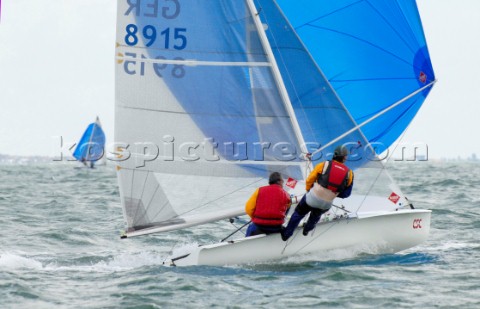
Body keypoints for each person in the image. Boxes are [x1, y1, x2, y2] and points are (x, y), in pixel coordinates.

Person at [281, 145, 354, 241]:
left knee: (299, 213)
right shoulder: (350, 173)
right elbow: (346, 194)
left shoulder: (324, 165)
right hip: (327, 203)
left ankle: (286, 234)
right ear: (344, 157)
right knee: (316, 215)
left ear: (334, 155)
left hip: (313, 197)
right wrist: (334, 193)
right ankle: (307, 229)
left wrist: (309, 190)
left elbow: (310, 180)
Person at [245, 172, 292, 237]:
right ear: (279, 181)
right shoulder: (286, 195)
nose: (283, 183)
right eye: (282, 181)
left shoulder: (259, 190)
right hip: (276, 227)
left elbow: (248, 208)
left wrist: (255, 218)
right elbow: (286, 210)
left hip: (260, 225)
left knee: (251, 227)